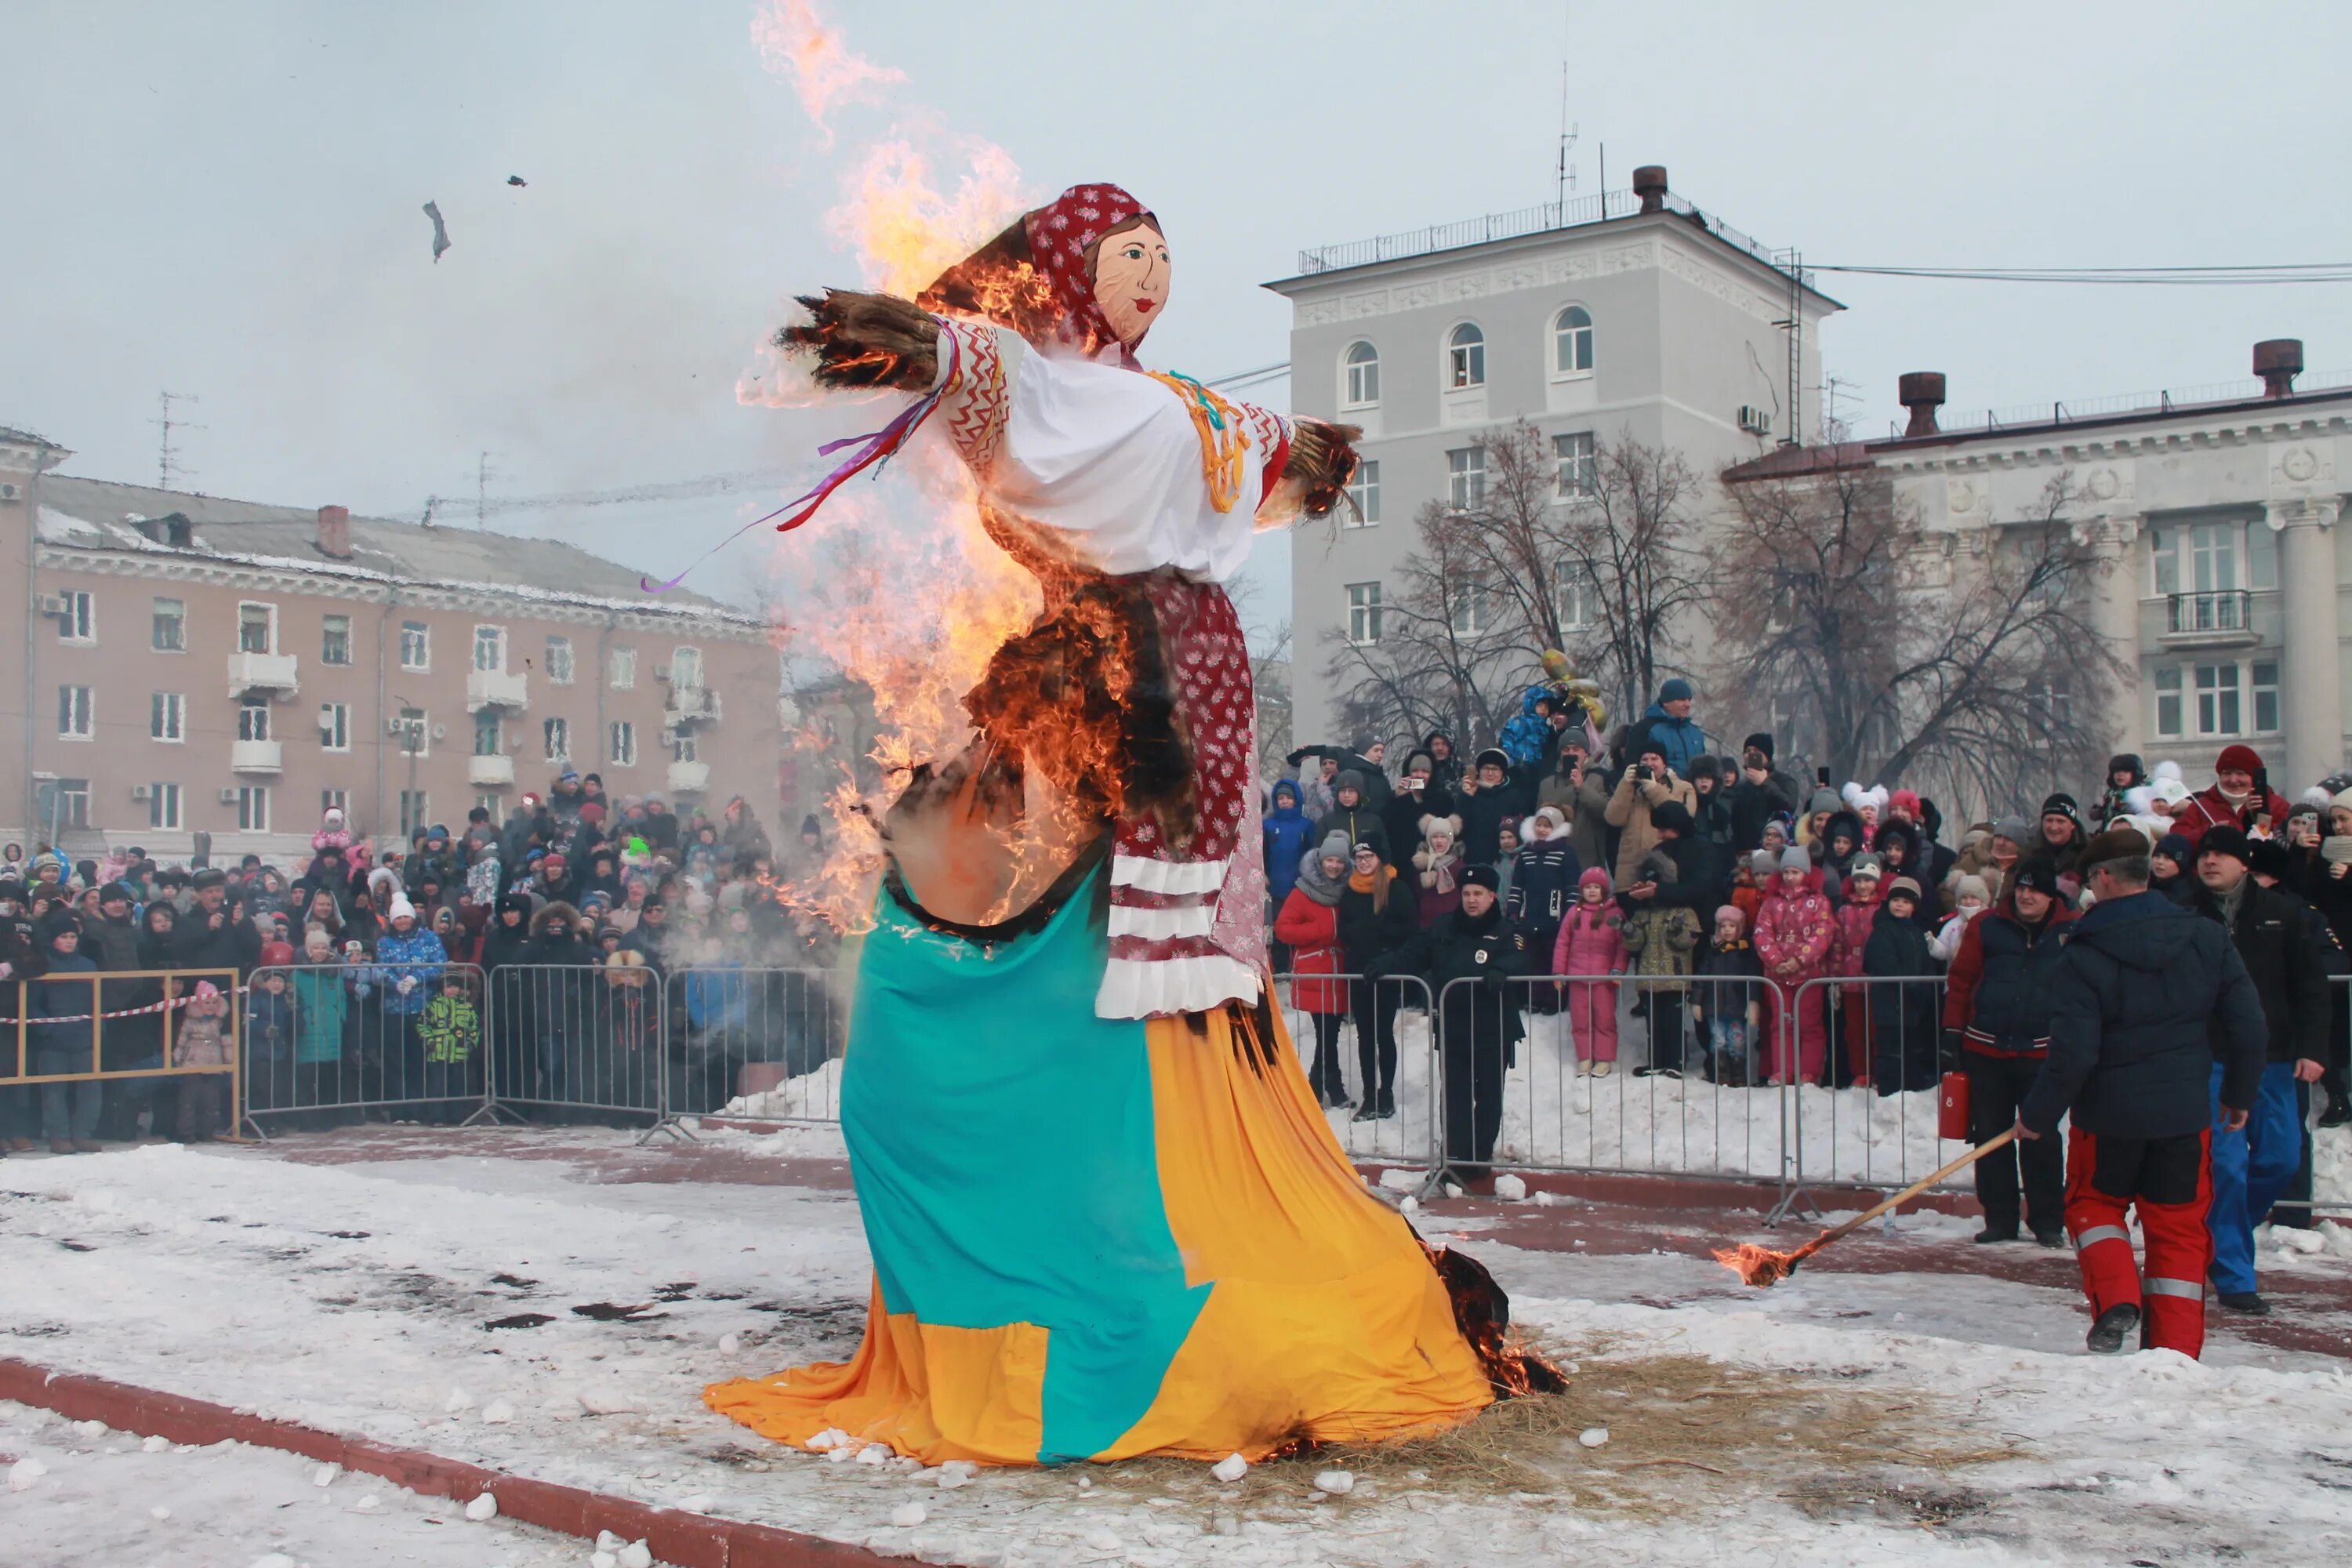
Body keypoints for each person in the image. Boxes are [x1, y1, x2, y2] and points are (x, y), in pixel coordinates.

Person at [2020, 835, 2267, 1357]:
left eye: (2089, 880)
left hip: (2107, 1117)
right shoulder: (2206, 936)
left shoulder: (2081, 954)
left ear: (2105, 877)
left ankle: (2115, 1300)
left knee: (2093, 1205)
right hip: (2183, 1115)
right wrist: (2240, 1094)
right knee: (2179, 1229)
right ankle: (2175, 1354)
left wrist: (2038, 1115)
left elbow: (2074, 1053)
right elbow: (2247, 1024)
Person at [2189, 826, 2336, 1314]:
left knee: (2282, 1159)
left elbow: (2312, 987)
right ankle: (2234, 1274)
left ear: (2243, 862)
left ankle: (2221, 1236)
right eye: (2204, 854)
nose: (2210, 862)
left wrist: (2314, 1048)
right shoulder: (2183, 911)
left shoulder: (2283, 913)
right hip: (2211, 1057)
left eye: (2221, 855)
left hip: (2274, 1058)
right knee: (2227, 1167)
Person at [1386, 865, 1524, 1189]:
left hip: (1493, 1029)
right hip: (1454, 1027)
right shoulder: (1444, 927)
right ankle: (1454, 1160)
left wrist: (1501, 969)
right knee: (1455, 1096)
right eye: (1466, 894)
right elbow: (1415, 953)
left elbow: (1519, 958)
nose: (1472, 900)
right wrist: (1383, 966)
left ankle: (1479, 1159)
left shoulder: (1506, 931)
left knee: (1488, 1097)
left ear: (1492, 896)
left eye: (1478, 894)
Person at [1339, 841, 1419, 1120]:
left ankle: (1386, 1093)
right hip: (1359, 971)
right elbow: (1344, 928)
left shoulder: (1397, 888)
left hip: (1386, 971)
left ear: (1379, 858)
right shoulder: (1350, 889)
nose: (1362, 861)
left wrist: (1384, 948)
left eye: (1368, 856)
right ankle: (1369, 1095)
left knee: (1383, 1033)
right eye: (1358, 857)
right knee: (1365, 1035)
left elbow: (1409, 928)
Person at [1272, 834, 1353, 1109]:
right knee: (1326, 1033)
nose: (1334, 866)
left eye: (1339, 861)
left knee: (1330, 1034)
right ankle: (1324, 1089)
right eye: (1329, 860)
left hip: (1339, 972)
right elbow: (1283, 929)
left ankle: (1323, 1088)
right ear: (1320, 861)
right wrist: (1323, 932)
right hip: (1314, 971)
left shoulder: (1348, 890)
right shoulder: (1302, 891)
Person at [1753, 847, 1836, 1085]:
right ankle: (1783, 1070)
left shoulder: (1818, 902)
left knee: (1809, 1024)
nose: (1790, 877)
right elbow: (1762, 932)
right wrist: (1777, 961)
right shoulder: (1771, 902)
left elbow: (1823, 933)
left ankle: (1809, 1070)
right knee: (1781, 1024)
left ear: (1806, 873)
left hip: (1808, 974)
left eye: (1795, 872)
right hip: (1777, 974)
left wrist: (1799, 960)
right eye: (1787, 872)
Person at [1621, 851, 1701, 1077]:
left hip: (1675, 977)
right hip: (1649, 977)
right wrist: (1629, 931)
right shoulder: (1642, 913)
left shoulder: (1684, 911)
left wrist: (1677, 929)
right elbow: (1635, 945)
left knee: (1673, 1023)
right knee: (1653, 1024)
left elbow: (1689, 941)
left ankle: (1675, 1063)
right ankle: (1655, 1061)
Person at [29, 916, 103, 1152]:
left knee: (90, 1088)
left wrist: (97, 1030)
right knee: (53, 1090)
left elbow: (98, 1000)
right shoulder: (43, 965)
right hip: (53, 1039)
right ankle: (59, 1136)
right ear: (53, 940)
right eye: (64, 937)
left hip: (84, 1036)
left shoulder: (88, 965)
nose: (69, 941)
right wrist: (47, 1029)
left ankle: (83, 1133)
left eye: (73, 937)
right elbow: (32, 1003)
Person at [1861, 877, 1940, 1095]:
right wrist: (1912, 984)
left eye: (1905, 901)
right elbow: (1884, 964)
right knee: (1891, 1049)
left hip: (1913, 1004)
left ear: (1914, 906)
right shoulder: (1883, 930)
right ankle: (1889, 1090)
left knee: (1911, 1046)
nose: (1899, 905)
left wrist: (1925, 988)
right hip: (1890, 1002)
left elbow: (1926, 963)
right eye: (1896, 900)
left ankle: (1912, 1086)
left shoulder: (1915, 932)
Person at [1551, 868, 1626, 1076]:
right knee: (1580, 1019)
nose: (1591, 891)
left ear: (1603, 890)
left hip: (1604, 978)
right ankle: (1584, 1057)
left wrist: (1618, 969)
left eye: (1596, 887)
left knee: (1604, 1019)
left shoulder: (1615, 914)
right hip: (1578, 976)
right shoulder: (1574, 912)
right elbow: (1562, 943)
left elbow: (1622, 945)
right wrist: (1559, 971)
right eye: (1587, 887)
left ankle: (1603, 1058)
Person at [1603, 742, 1698, 889]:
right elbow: (1613, 819)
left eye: (1654, 759)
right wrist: (1625, 784)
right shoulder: (1631, 788)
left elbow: (1683, 817)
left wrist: (1653, 789)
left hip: (1666, 870)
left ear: (1664, 763)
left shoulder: (1683, 788)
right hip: (1629, 873)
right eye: (1645, 760)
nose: (1649, 764)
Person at [1691, 906, 1763, 1085]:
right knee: (1718, 1040)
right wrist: (1696, 1002)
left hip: (1737, 1007)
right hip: (1713, 1007)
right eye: (1723, 926)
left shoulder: (1746, 953)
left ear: (1739, 928)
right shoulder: (1713, 952)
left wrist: (1753, 1002)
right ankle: (1721, 1074)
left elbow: (1753, 980)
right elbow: (1701, 978)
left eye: (1731, 926)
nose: (1727, 930)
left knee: (1736, 1042)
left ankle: (1739, 1076)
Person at [2173, 744, 2292, 851]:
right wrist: (2209, 832)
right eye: (2227, 773)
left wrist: (2258, 816)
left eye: (2240, 773)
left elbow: (2285, 840)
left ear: (2254, 777)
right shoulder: (2201, 806)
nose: (2233, 780)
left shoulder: (2277, 805)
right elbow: (2176, 840)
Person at [172, 981, 232, 1141]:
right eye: (207, 1002)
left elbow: (226, 1041)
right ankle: (186, 1133)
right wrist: (178, 1054)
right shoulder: (190, 1021)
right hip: (193, 1062)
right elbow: (182, 1039)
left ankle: (206, 1131)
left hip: (214, 1064)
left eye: (214, 1002)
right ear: (199, 1003)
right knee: (189, 1100)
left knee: (210, 1101)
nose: (211, 1006)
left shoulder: (220, 1022)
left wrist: (229, 1060)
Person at [1726, 733, 1802, 856]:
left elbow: (1789, 806)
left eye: (1756, 751)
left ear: (1767, 755)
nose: (1751, 755)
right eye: (1747, 751)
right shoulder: (1741, 787)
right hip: (1745, 853)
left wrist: (1765, 783)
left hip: (1775, 851)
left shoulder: (1783, 780)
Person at [1456, 748, 1533, 867]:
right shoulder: (1467, 795)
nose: (1490, 773)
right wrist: (1467, 797)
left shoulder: (1515, 796)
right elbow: (1457, 828)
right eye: (1486, 768)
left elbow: (1523, 829)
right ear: (1478, 771)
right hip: (1474, 860)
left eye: (1495, 769)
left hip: (1505, 862)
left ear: (1503, 772)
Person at [1261, 779, 1314, 927]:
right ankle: (1279, 951)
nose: (1285, 801)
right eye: (1281, 798)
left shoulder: (1307, 825)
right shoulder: (1268, 825)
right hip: (1275, 885)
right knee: (1278, 925)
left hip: (1300, 886)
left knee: (1298, 924)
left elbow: (1313, 854)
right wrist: (1263, 873)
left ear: (1296, 799)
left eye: (1289, 798)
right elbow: (1262, 853)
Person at [1629, 678, 1706, 776]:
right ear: (1666, 702)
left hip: (1693, 791)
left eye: (1689, 700)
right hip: (1661, 789)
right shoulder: (1645, 729)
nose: (1688, 705)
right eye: (1682, 700)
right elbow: (1634, 767)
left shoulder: (1696, 733)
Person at [1313, 771, 1388, 867]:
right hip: (1338, 876)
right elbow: (1318, 854)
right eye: (1342, 791)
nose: (1346, 795)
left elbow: (1385, 853)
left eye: (1351, 790)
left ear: (1360, 793)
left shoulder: (1373, 821)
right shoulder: (1326, 821)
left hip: (1368, 876)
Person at [1412, 815, 1467, 927]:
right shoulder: (1422, 864)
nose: (1439, 841)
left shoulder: (1459, 866)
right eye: (1435, 837)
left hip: (1452, 923)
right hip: (1427, 923)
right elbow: (1417, 892)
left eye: (1443, 837)